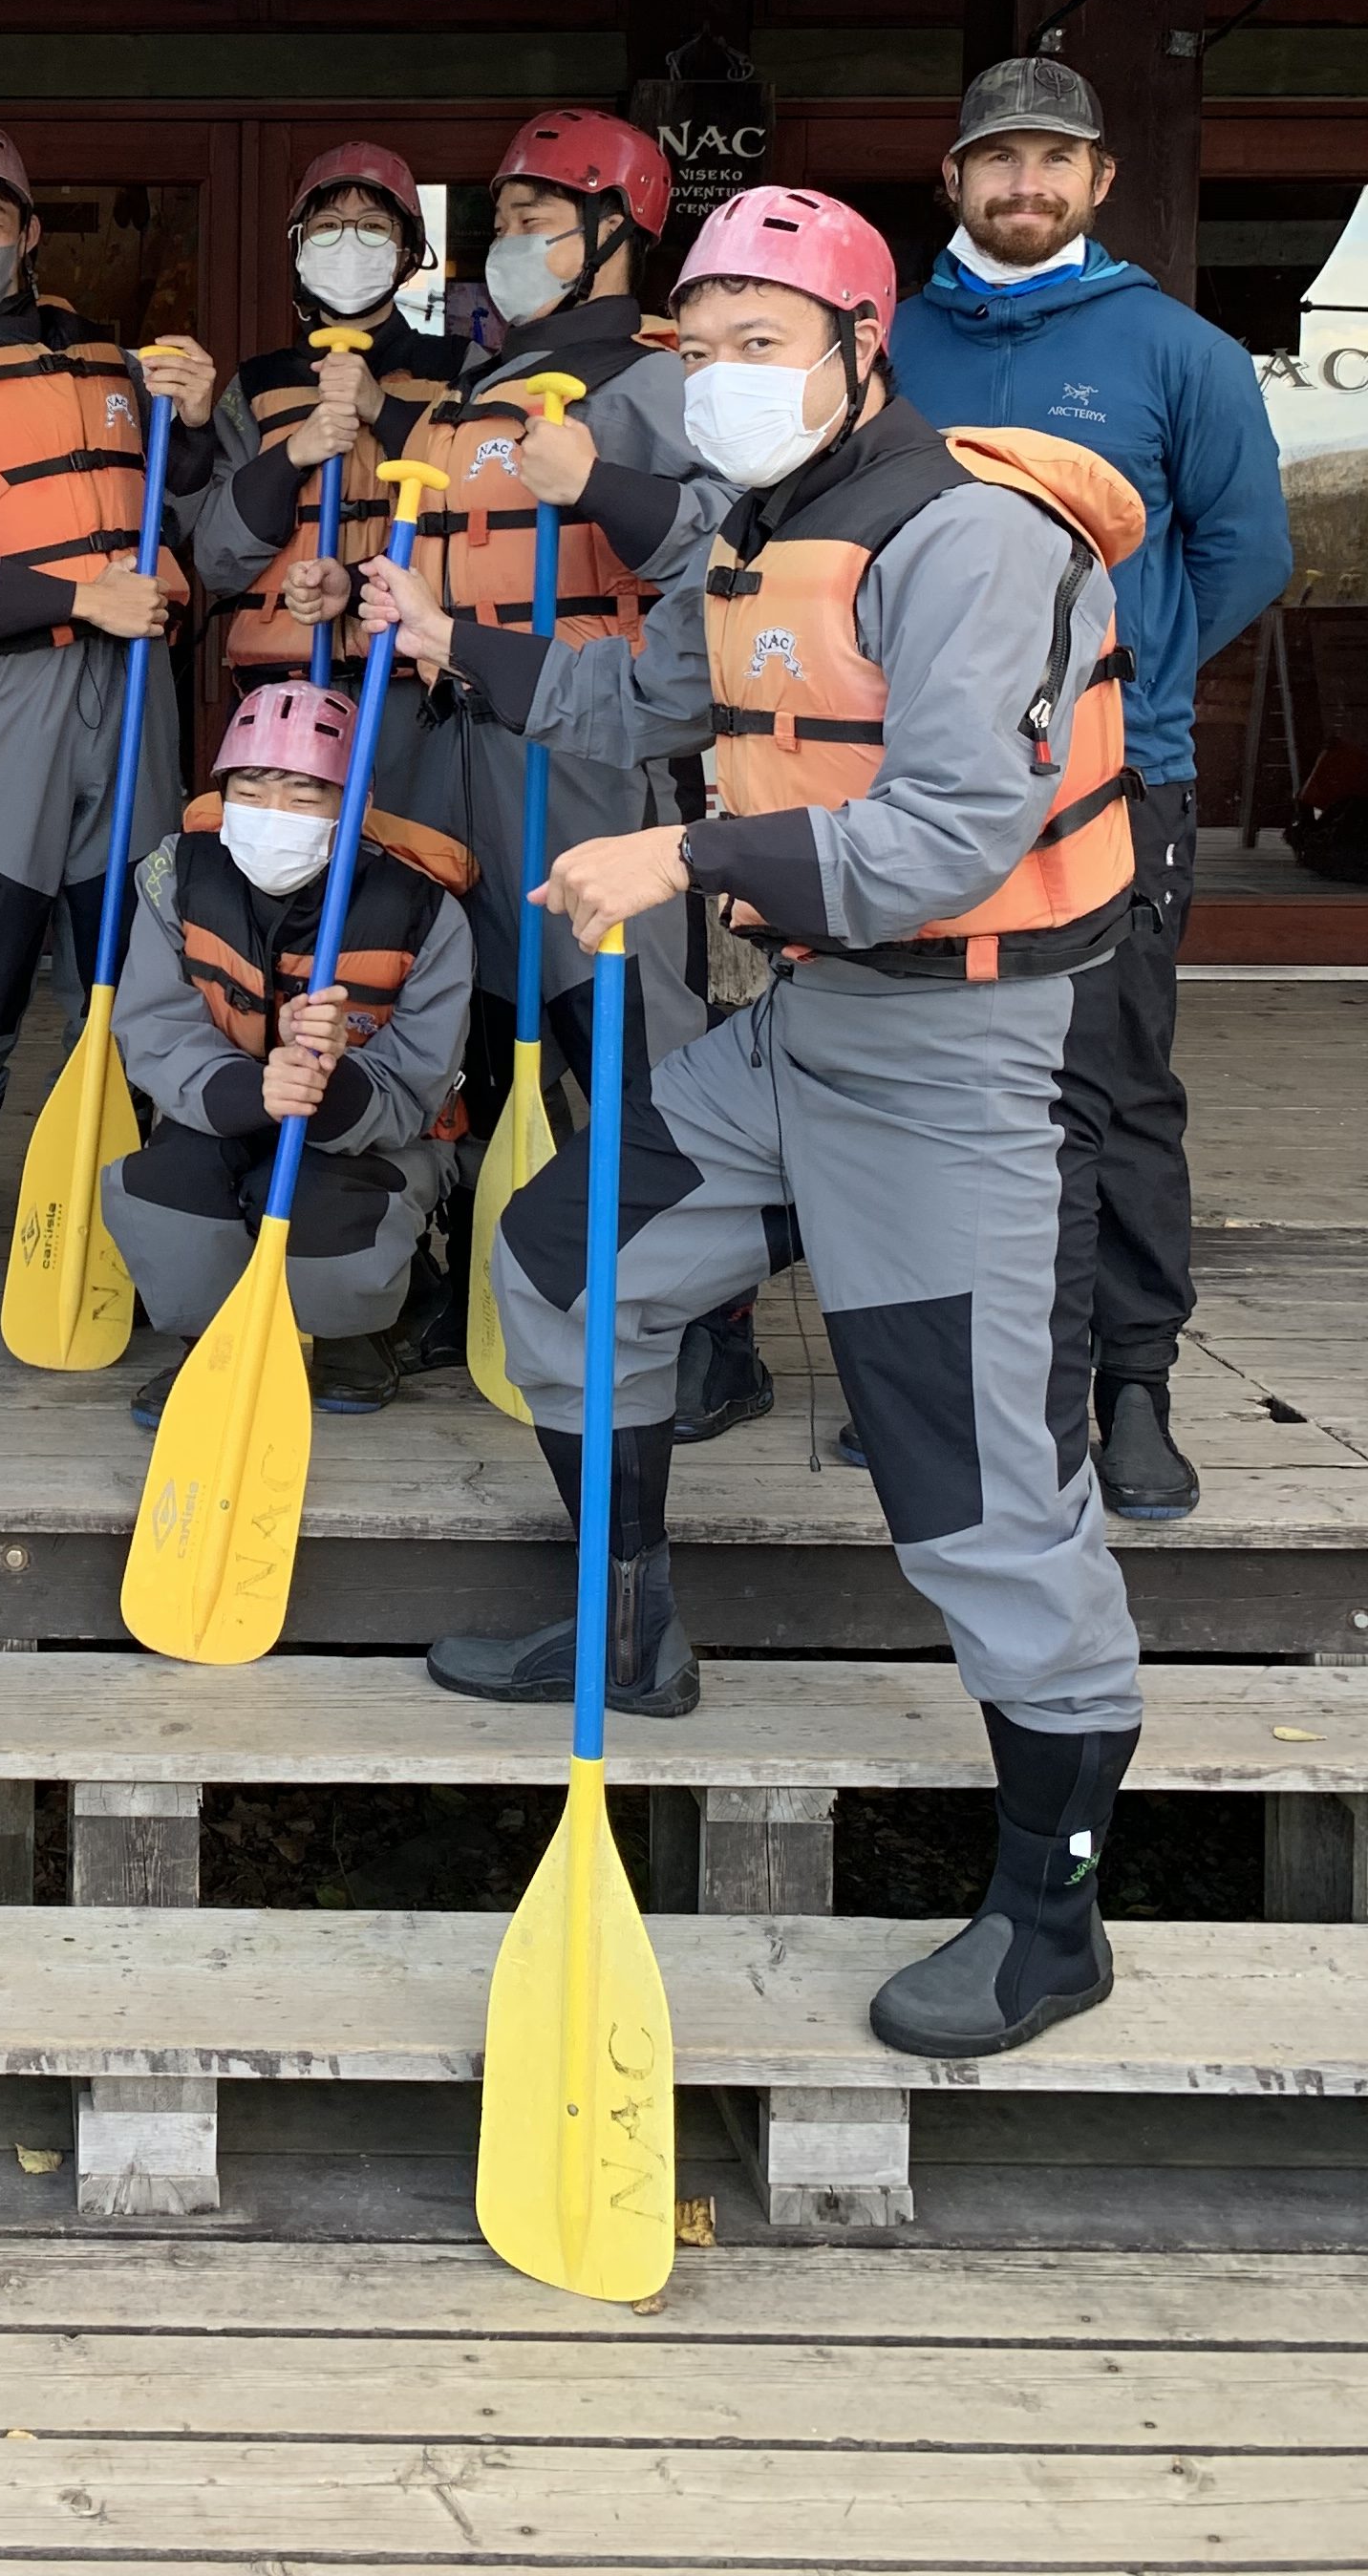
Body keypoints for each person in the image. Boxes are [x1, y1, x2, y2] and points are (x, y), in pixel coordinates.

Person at [363, 183, 1147, 2061]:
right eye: (700, 347)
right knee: (562, 1268)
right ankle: (627, 1626)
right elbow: (634, 696)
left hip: (959, 1065)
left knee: (976, 1493)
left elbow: (944, 836)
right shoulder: (748, 529)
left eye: (761, 343)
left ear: (861, 350)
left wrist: (685, 855)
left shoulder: (976, 539)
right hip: (801, 1032)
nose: (721, 378)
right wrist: (447, 643)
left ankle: (1051, 1916)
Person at [891, 55, 1292, 1523]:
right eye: (1000, 159)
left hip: (1123, 780)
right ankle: (940, 1371)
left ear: (1101, 180)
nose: (1027, 184)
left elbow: (1246, 555)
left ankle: (1131, 1382)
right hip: (918, 787)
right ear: (954, 178)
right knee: (926, 1076)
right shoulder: (887, 347)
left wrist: (1129, 684)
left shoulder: (1179, 351)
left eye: (1055, 159)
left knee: (1113, 1079)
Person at [308, 110, 740, 1424]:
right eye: (501, 221)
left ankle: (708, 1328)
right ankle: (478, 1278)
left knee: (627, 1044)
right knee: (480, 1033)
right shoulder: (471, 390)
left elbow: (734, 548)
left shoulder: (660, 383)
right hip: (454, 740)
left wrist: (602, 482)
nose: (510, 242)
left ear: (615, 234)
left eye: (538, 220)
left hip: (595, 750)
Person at [0, 119, 219, 1309]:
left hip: (137, 698)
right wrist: (80, 596)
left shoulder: (113, 360)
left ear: (27, 233)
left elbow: (194, 517)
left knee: (134, 966)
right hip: (14, 694)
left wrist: (198, 423)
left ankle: (128, 1209)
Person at [102, 681, 474, 1427]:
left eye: (305, 796)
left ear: (356, 805)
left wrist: (329, 1076)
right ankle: (210, 1344)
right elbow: (153, 1026)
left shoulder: (423, 909)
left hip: (367, 1137)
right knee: (165, 1185)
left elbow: (419, 1078)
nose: (273, 813)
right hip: (222, 1110)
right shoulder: (178, 878)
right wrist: (254, 1091)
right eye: (250, 790)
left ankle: (351, 1337)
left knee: (328, 1203)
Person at [192, 138, 458, 691]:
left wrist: (380, 408)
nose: (348, 242)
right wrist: (293, 453)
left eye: (374, 227)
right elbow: (217, 562)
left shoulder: (462, 368)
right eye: (327, 226)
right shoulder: (257, 383)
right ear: (300, 248)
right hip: (284, 684)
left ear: (409, 254)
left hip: (415, 681)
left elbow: (480, 509)